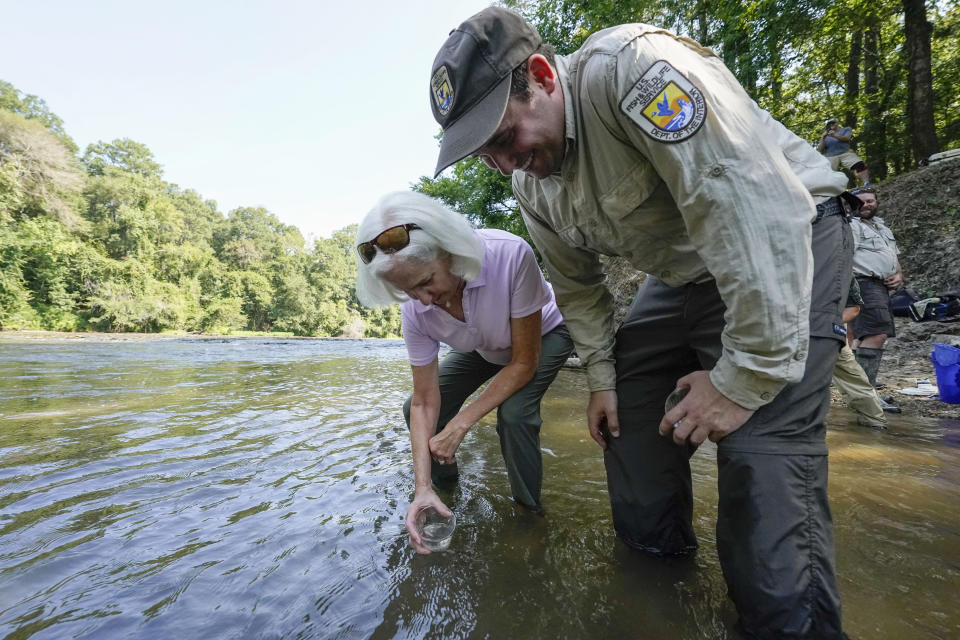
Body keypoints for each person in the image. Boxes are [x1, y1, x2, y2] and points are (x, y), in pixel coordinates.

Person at [427, 7, 852, 638]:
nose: (503, 163)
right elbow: (577, 287)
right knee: (626, 420)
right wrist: (601, 378)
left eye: (502, 135)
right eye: (483, 153)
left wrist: (743, 376)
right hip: (681, 273)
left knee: (762, 461)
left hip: (791, 239)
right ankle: (659, 597)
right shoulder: (531, 187)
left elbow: (750, 210)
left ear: (542, 76)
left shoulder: (639, 72)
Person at [355, 191, 574, 553]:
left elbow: (522, 362)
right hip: (484, 345)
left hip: (545, 334)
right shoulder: (416, 308)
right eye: (408, 291)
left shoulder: (508, 255)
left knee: (516, 415)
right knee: (412, 406)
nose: (423, 300)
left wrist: (461, 423)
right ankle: (441, 490)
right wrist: (419, 484)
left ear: (450, 253)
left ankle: (528, 513)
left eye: (426, 282)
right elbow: (426, 402)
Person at [850, 187, 902, 411]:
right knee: (876, 335)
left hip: (880, 286)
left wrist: (899, 275)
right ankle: (866, 398)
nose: (866, 205)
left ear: (876, 202)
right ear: (853, 205)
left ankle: (860, 395)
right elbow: (843, 256)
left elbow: (894, 257)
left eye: (870, 200)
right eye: (861, 202)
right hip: (862, 283)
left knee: (863, 338)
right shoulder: (851, 226)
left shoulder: (882, 227)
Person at [833, 278, 887, 428]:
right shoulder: (840, 263)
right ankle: (875, 423)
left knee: (851, 375)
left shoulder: (841, 267)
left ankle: (875, 423)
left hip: (828, 330)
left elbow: (854, 309)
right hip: (823, 326)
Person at [819, 118, 871, 186]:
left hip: (845, 152)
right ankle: (827, 190)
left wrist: (834, 135)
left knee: (860, 164)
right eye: (830, 124)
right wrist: (823, 137)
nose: (832, 124)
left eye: (833, 122)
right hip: (830, 156)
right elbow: (820, 150)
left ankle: (866, 183)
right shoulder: (825, 135)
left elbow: (847, 138)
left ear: (837, 123)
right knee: (826, 172)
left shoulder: (845, 129)